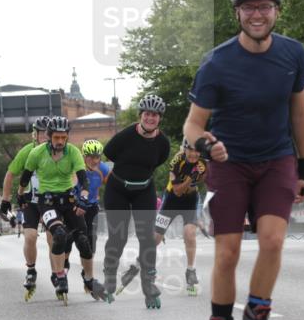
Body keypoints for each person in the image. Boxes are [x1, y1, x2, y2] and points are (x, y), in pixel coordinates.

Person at [184, 0, 304, 320]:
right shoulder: (216, 63)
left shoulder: (294, 54)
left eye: (265, 7)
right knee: (227, 253)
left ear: (277, 11)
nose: (257, 15)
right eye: (249, 9)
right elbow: (192, 124)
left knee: (273, 241)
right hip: (229, 162)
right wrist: (206, 147)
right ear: (237, 14)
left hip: (276, 159)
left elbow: (300, 110)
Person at [19, 116, 107, 304]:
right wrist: (20, 195)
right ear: (50, 136)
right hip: (47, 201)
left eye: (63, 137)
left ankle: (89, 279)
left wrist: (83, 197)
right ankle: (60, 275)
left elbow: (83, 179)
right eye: (57, 137)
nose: (60, 141)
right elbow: (25, 177)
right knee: (59, 234)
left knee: (83, 241)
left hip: (68, 199)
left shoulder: (73, 152)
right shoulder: (37, 153)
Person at [101, 95, 171, 308]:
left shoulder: (163, 143)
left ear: (159, 118)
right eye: (147, 114)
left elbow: (158, 161)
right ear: (141, 115)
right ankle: (110, 273)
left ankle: (148, 285)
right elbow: (109, 152)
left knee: (147, 238)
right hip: (117, 189)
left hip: (144, 190)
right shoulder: (127, 135)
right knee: (118, 236)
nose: (150, 118)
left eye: (155, 115)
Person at [119, 138, 207, 296]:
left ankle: (191, 270)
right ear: (184, 150)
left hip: (191, 201)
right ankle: (137, 265)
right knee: (156, 238)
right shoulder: (176, 162)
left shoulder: (203, 161)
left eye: (197, 151)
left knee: (189, 233)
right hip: (172, 200)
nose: (193, 154)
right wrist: (190, 178)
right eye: (190, 150)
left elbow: (212, 177)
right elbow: (178, 190)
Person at [0, 116, 52, 299]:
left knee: (54, 237)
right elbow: (10, 174)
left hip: (51, 199)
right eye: (41, 133)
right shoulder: (27, 151)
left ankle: (58, 272)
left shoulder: (58, 151)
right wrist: (6, 199)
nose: (45, 137)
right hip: (30, 199)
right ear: (34, 135)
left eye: (48, 133)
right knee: (30, 236)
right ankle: (31, 270)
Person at [63, 139, 111, 280]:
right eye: (90, 157)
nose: (94, 160)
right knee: (70, 236)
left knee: (91, 237)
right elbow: (69, 187)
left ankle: (87, 271)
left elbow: (112, 186)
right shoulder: (76, 168)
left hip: (92, 207)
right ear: (84, 156)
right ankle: (65, 262)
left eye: (97, 157)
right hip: (74, 206)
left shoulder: (103, 169)